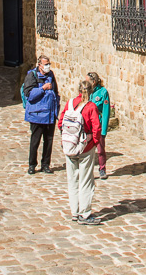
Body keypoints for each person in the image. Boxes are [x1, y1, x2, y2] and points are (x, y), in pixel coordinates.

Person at [58, 79, 103, 224]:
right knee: (86, 181)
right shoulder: (91, 107)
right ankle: (85, 213)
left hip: (70, 147)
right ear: (91, 91)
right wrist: (94, 143)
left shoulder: (70, 103)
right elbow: (96, 128)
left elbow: (61, 123)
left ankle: (74, 212)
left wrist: (67, 139)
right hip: (85, 148)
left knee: (72, 180)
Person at [21, 55, 60, 174]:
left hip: (49, 114)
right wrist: (42, 88)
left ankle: (45, 164)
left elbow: (55, 92)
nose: (48, 66)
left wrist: (56, 109)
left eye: (49, 64)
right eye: (45, 64)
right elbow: (29, 95)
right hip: (37, 115)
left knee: (48, 142)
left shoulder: (51, 75)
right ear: (39, 65)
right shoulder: (32, 76)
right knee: (35, 141)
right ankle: (32, 165)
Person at [87, 72, 111, 180]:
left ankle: (102, 169)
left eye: (88, 81)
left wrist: (104, 130)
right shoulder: (87, 91)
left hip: (98, 125)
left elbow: (106, 112)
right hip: (88, 125)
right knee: (87, 150)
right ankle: (87, 171)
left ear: (94, 81)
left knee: (100, 150)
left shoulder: (103, 92)